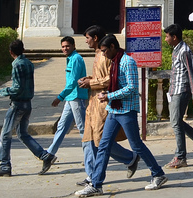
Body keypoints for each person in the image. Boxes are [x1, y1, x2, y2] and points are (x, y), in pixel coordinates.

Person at [77, 34, 167, 196]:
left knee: (136, 145)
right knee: (103, 146)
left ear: (113, 47)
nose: (103, 54)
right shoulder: (114, 62)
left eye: (105, 51)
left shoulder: (127, 61)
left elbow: (132, 88)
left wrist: (109, 96)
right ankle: (96, 184)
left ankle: (158, 174)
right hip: (114, 109)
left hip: (127, 110)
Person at [75, 25, 139, 188]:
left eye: (88, 37)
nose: (86, 41)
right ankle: (92, 176)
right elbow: (100, 76)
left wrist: (92, 83)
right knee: (89, 139)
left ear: (96, 38)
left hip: (104, 102)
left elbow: (112, 79)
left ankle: (128, 158)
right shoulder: (98, 54)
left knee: (101, 142)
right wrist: (88, 79)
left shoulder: (109, 56)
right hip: (93, 102)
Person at [0, 39, 54, 177]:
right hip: (27, 103)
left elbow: (17, 88)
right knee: (22, 134)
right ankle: (44, 156)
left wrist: (3, 91)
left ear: (11, 52)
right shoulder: (29, 63)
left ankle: (4, 165)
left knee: (5, 135)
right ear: (23, 50)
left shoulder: (17, 64)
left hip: (17, 104)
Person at [163, 23, 193, 168]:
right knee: (176, 122)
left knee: (176, 123)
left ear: (174, 37)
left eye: (167, 36)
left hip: (182, 90)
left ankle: (180, 156)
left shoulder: (185, 51)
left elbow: (192, 73)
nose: (165, 39)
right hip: (174, 90)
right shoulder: (176, 50)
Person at [41, 36, 88, 173]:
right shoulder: (71, 59)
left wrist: (59, 97)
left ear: (73, 46)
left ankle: (90, 157)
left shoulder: (76, 59)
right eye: (63, 46)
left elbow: (73, 82)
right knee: (61, 126)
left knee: (83, 129)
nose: (64, 49)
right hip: (71, 97)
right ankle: (50, 154)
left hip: (77, 97)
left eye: (67, 46)